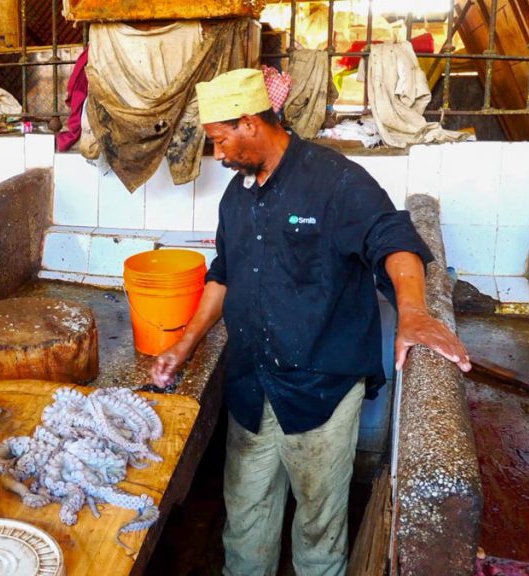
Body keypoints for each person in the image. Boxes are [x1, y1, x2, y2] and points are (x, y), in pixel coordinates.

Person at [149, 68, 471, 576]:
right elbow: (224, 275)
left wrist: (413, 313)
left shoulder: (334, 180)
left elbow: (394, 241)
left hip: (320, 389)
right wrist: (184, 344)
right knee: (245, 513)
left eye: (220, 140)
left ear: (251, 122)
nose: (219, 155)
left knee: (319, 525)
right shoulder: (237, 197)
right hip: (253, 385)